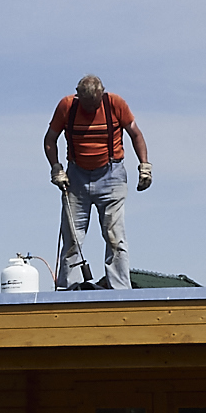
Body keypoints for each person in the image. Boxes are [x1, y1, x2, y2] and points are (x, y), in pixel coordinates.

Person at [41, 74, 151, 291]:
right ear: (78, 96)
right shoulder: (66, 107)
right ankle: (68, 290)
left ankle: (119, 291)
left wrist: (145, 165)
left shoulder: (115, 104)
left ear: (102, 94)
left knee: (114, 236)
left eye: (95, 103)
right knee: (72, 237)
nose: (91, 109)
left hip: (111, 175)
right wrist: (56, 168)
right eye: (86, 104)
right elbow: (50, 139)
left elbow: (135, 134)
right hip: (76, 177)